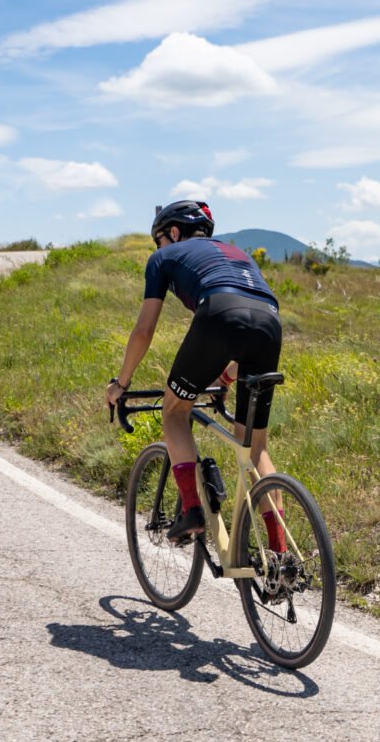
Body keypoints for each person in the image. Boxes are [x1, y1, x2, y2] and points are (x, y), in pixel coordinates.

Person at [105, 199, 285, 548]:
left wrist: (120, 384)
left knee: (174, 411)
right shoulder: (236, 253)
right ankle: (281, 555)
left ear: (172, 232)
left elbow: (144, 330)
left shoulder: (163, 257)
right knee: (254, 444)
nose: (158, 248)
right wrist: (227, 378)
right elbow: (246, 324)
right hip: (269, 320)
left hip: (219, 312)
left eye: (159, 240)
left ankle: (191, 511)